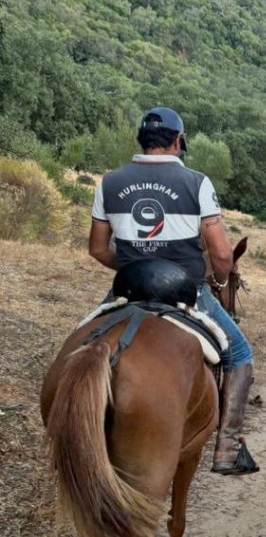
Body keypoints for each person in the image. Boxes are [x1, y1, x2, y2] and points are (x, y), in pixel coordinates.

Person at [88, 106, 256, 476]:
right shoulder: (197, 182)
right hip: (185, 289)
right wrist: (224, 277)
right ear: (178, 142)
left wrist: (138, 265)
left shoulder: (110, 182)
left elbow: (98, 249)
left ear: (141, 141)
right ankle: (227, 447)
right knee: (241, 353)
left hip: (128, 286)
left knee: (83, 340)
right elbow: (222, 255)